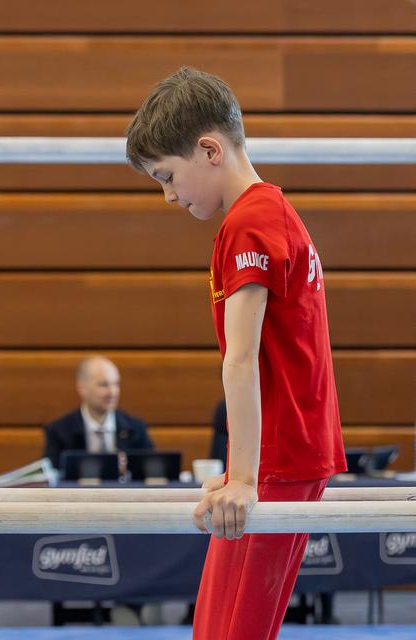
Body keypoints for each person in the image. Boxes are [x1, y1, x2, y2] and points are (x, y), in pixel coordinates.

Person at [126, 67, 347, 640]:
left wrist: (245, 479)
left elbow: (242, 359)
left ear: (208, 150)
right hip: (276, 448)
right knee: (213, 630)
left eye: (167, 177)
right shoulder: (261, 216)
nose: (169, 196)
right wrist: (237, 470)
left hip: (280, 456)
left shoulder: (252, 224)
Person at [44, 355, 153, 470]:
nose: (112, 392)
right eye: (103, 385)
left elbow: (151, 475)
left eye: (116, 384)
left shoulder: (136, 430)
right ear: (82, 388)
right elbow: (50, 479)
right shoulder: (59, 432)